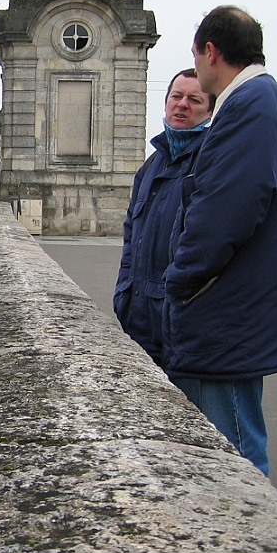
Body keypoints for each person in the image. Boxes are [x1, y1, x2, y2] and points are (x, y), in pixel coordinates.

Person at [164, 5, 277, 476]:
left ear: (210, 51)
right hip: (230, 310)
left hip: (226, 314)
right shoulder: (262, 101)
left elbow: (228, 209)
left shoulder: (251, 104)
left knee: (234, 456)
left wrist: (180, 280)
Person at [115, 69, 213, 368]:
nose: (182, 104)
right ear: (166, 103)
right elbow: (132, 233)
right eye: (176, 96)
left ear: (210, 110)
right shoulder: (151, 167)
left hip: (184, 322)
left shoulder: (212, 161)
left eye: (194, 99)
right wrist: (125, 291)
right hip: (139, 317)